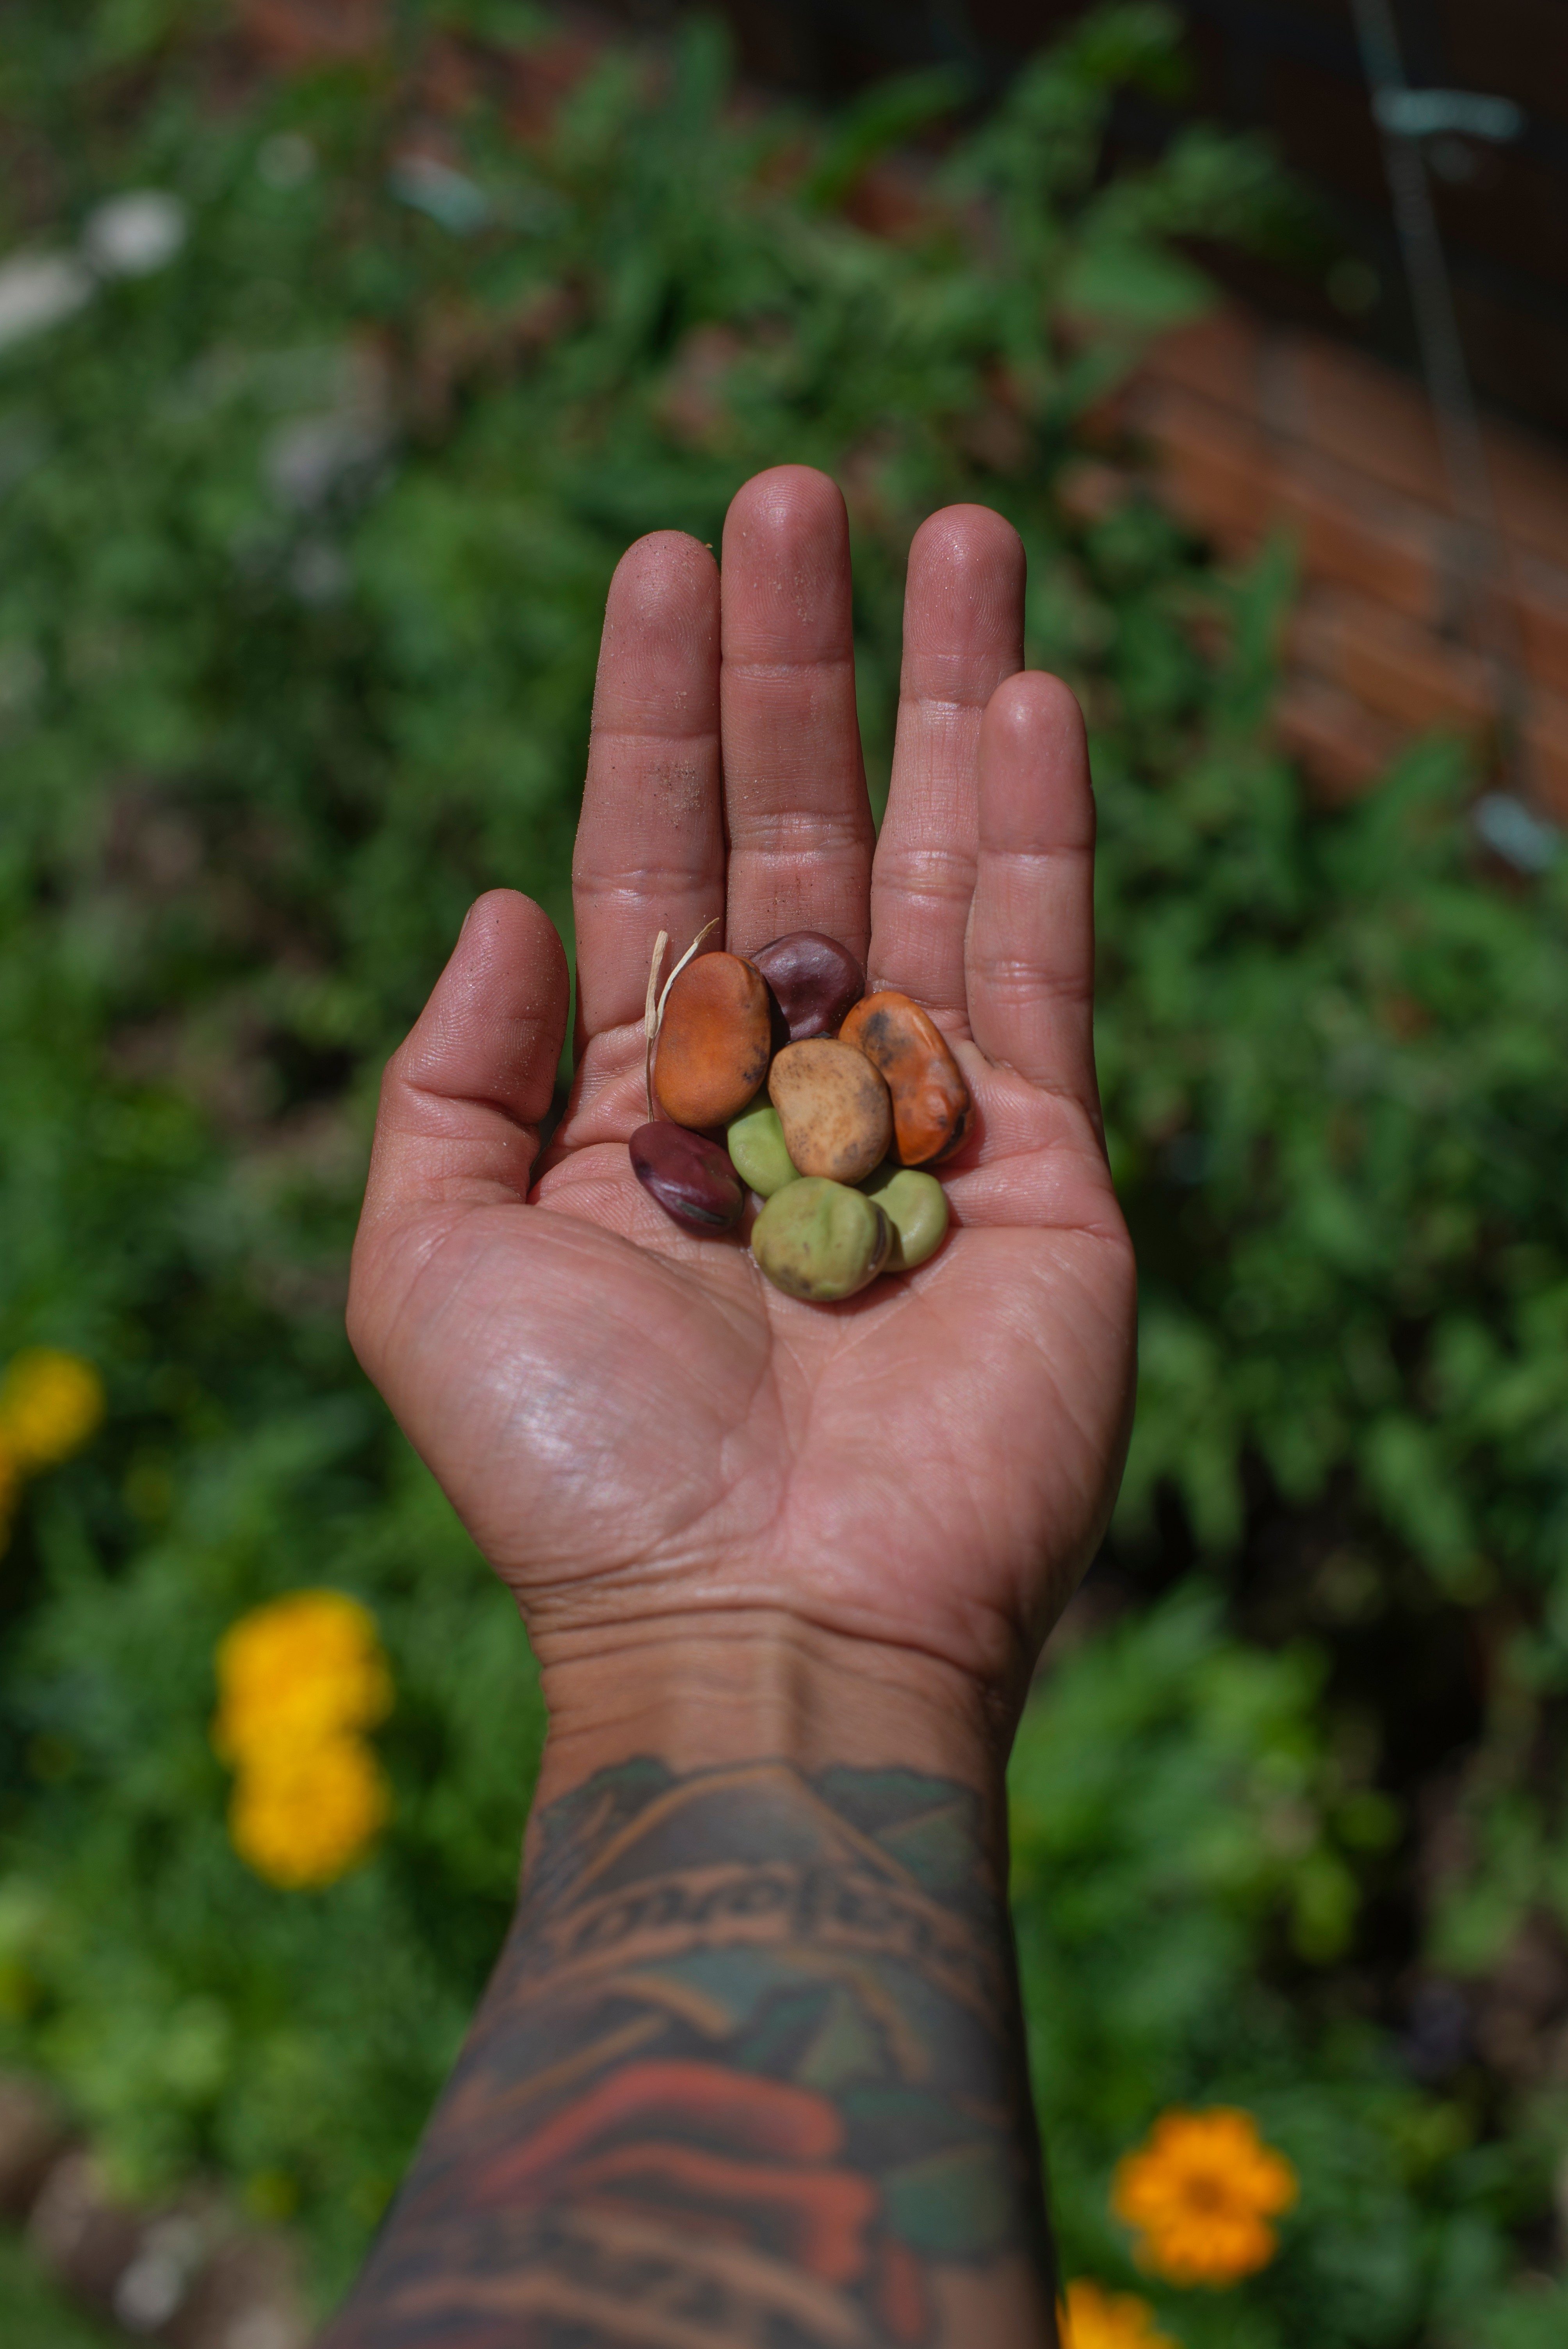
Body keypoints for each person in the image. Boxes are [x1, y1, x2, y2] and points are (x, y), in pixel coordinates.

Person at [327, 465, 1137, 2348]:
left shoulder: (823, 1135)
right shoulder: (769, 1132)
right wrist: (817, 1647)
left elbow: (838, 1125)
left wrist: (728, 1637)